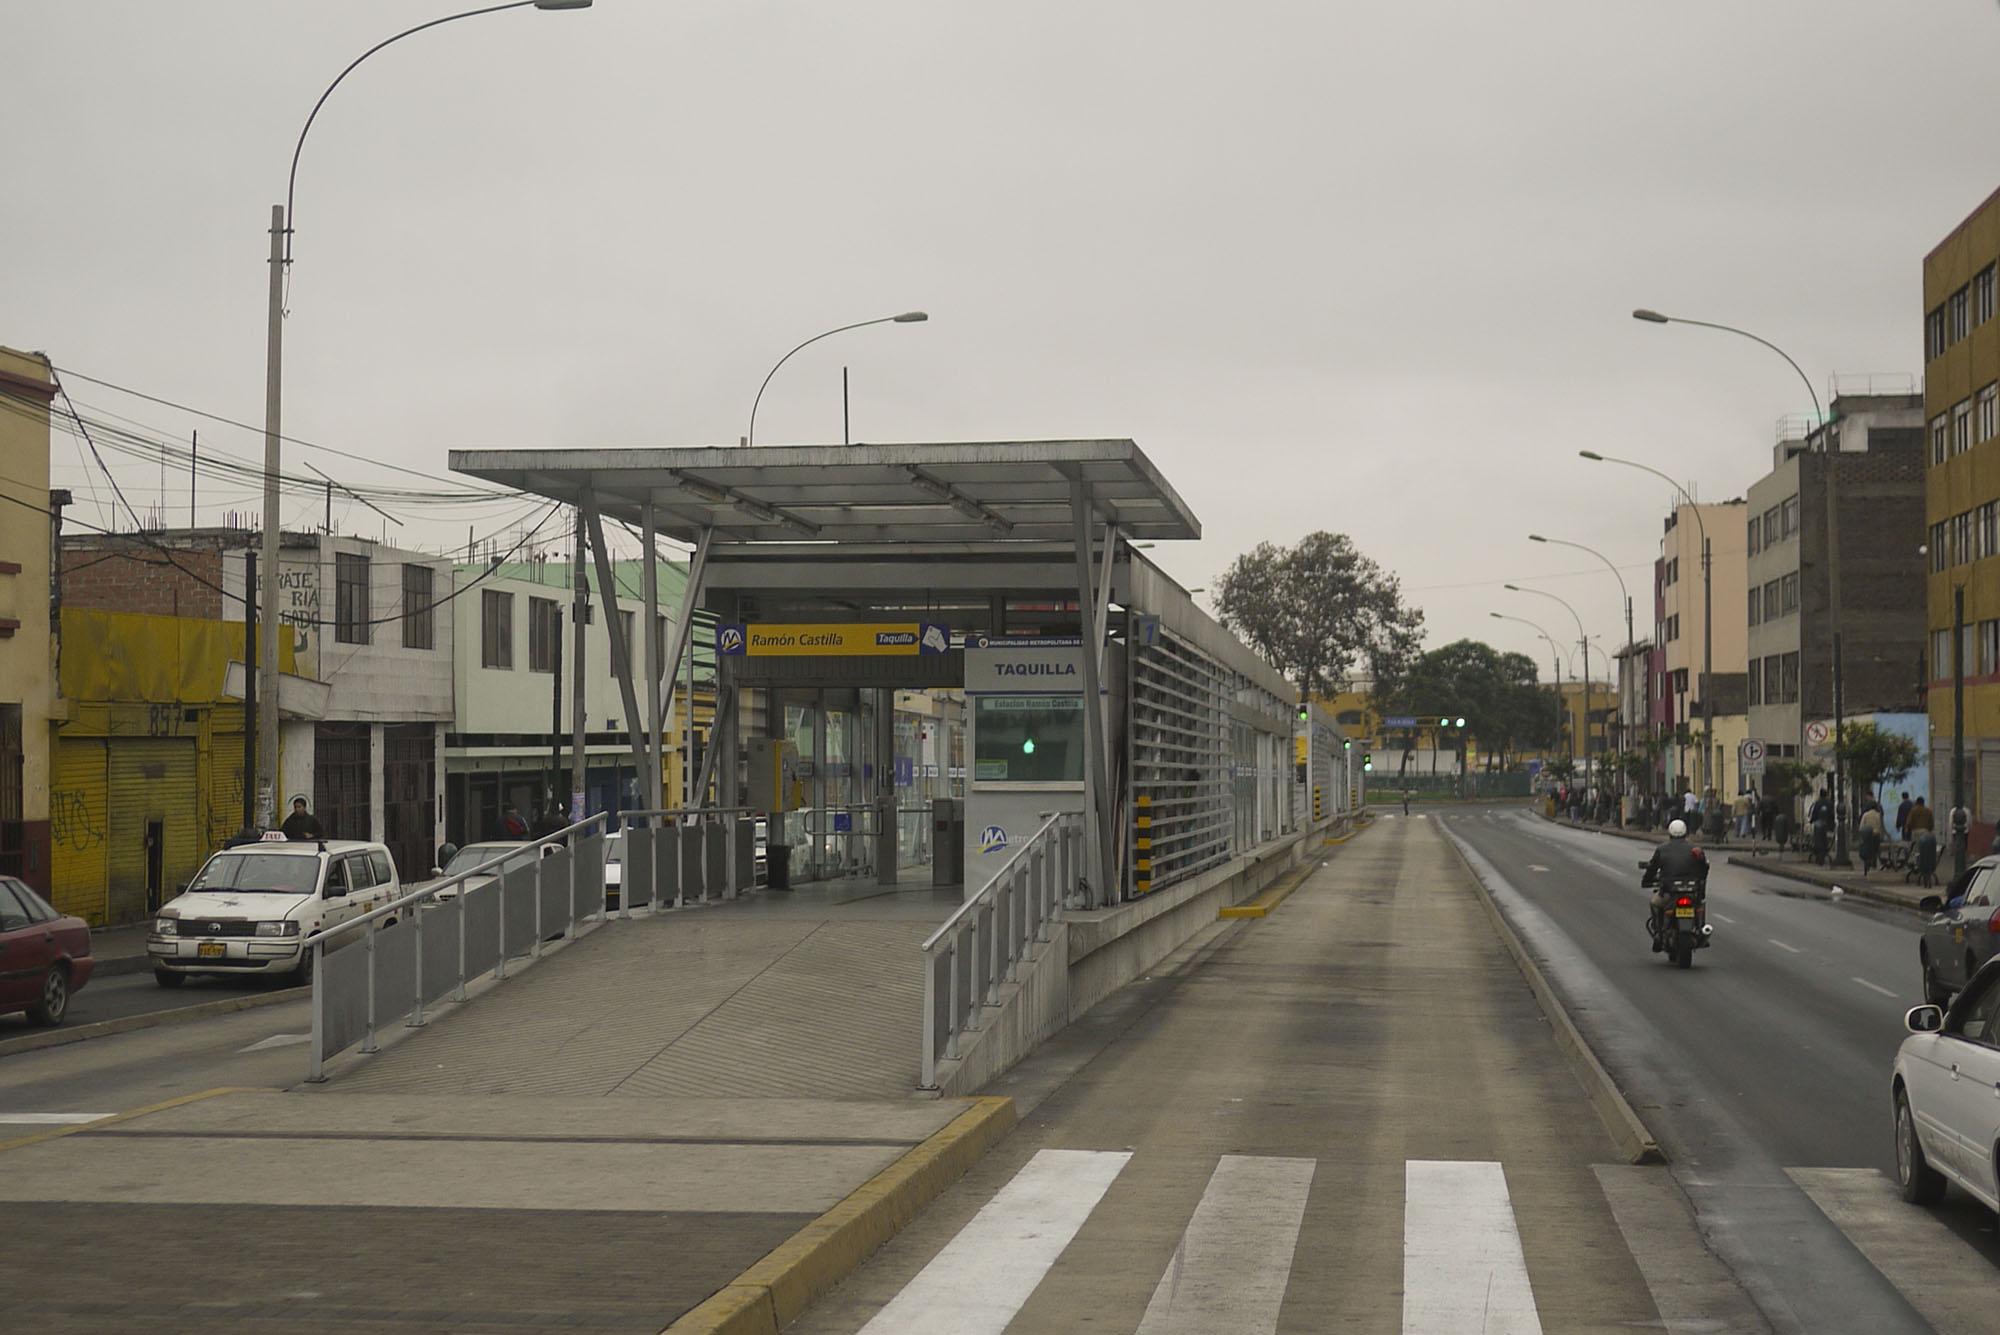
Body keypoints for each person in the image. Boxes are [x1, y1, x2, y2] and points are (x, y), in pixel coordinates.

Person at [1641, 818, 1709, 950]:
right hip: (1691, 892)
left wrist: (1646, 880)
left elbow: (1652, 868)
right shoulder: (1695, 849)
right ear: (1685, 833)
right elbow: (1704, 869)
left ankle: (1658, 934)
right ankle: (1700, 929)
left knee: (1655, 903)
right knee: (1699, 904)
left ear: (1670, 833)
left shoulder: (1662, 849)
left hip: (1669, 892)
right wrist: (1700, 883)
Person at [1857, 802, 1885, 875]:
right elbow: (1880, 826)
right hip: (1876, 835)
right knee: (1875, 851)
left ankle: (1867, 865)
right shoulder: (1878, 815)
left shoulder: (1866, 815)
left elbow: (1861, 826)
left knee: (1867, 850)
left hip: (1867, 835)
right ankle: (1874, 864)